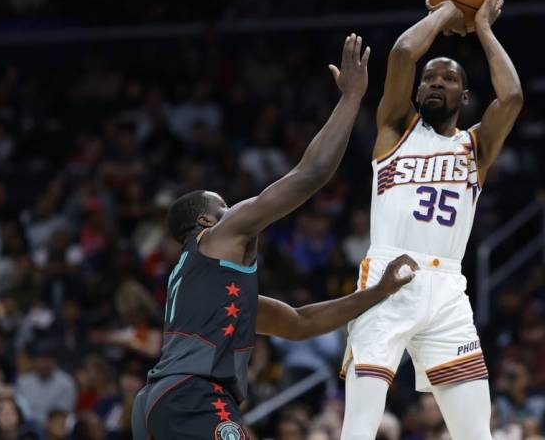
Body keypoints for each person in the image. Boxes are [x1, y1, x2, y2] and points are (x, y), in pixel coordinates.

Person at [131, 34, 420, 440]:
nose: (235, 212)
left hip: (159, 403)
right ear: (203, 223)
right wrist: (352, 98)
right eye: (224, 207)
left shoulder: (208, 287)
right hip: (193, 394)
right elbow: (310, 175)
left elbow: (301, 323)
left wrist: (379, 292)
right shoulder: (216, 239)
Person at [339, 0, 523, 439]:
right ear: (418, 92)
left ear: (464, 95)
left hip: (447, 293)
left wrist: (481, 27)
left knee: (476, 433)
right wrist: (447, 10)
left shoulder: (475, 147)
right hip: (387, 280)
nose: (436, 83)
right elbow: (403, 53)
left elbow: (512, 96)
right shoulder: (394, 130)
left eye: (449, 78)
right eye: (429, 79)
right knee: (359, 428)